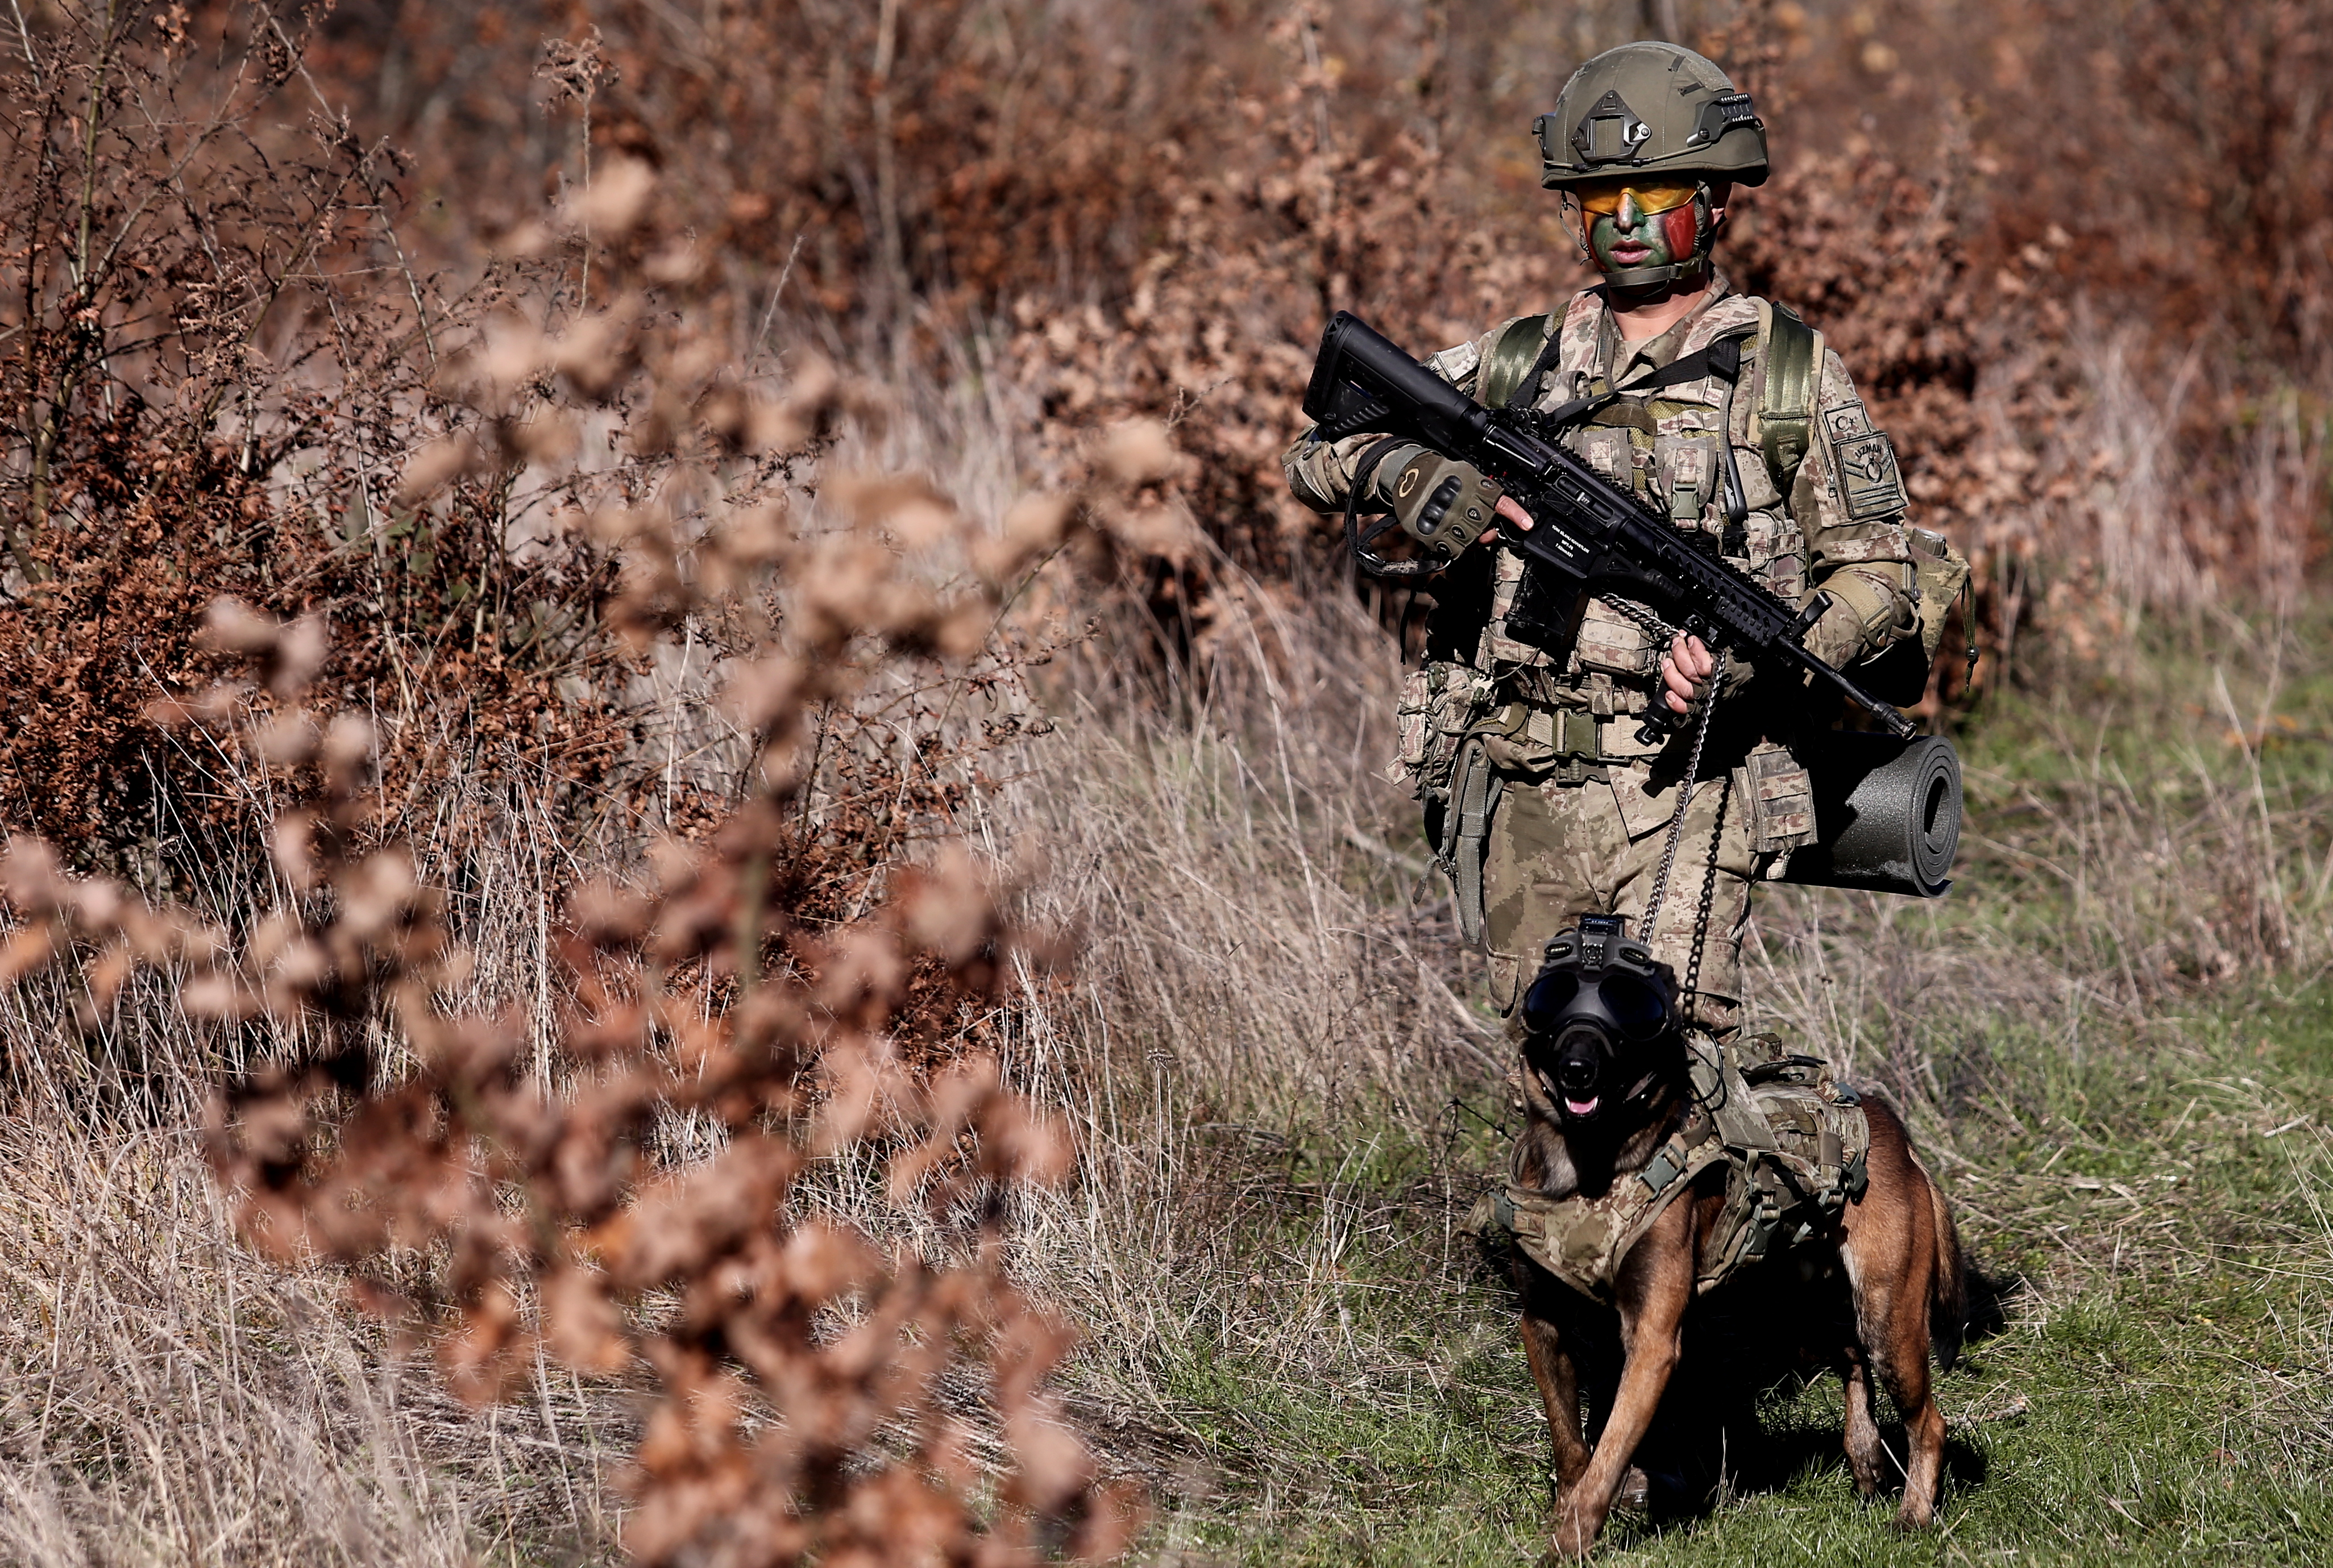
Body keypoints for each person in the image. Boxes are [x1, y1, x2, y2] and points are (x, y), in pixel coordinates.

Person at [1283, 40, 1921, 1041]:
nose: (1625, 221)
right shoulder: (1521, 361)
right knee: (1551, 1064)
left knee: (1666, 1065)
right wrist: (1411, 478)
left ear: (1716, 200)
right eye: (1598, 198)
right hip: (1522, 773)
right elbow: (1315, 450)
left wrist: (1759, 661)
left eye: (1657, 190)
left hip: (1695, 784)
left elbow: (1884, 573)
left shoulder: (1784, 373)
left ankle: (1831, 1171)